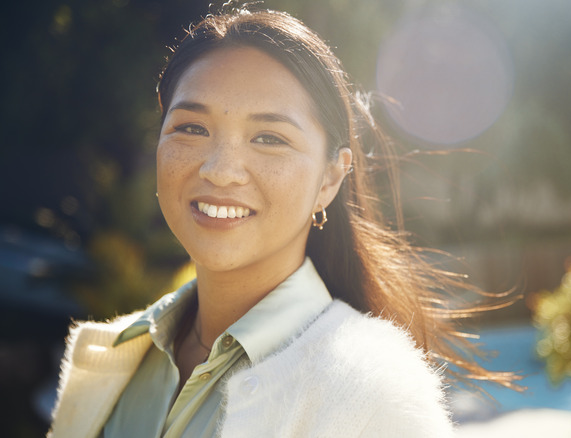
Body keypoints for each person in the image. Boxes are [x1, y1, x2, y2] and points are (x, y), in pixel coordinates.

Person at [48, 5, 522, 437]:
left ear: (330, 178)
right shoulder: (109, 357)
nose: (219, 170)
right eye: (191, 128)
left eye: (269, 138)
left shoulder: (373, 394)